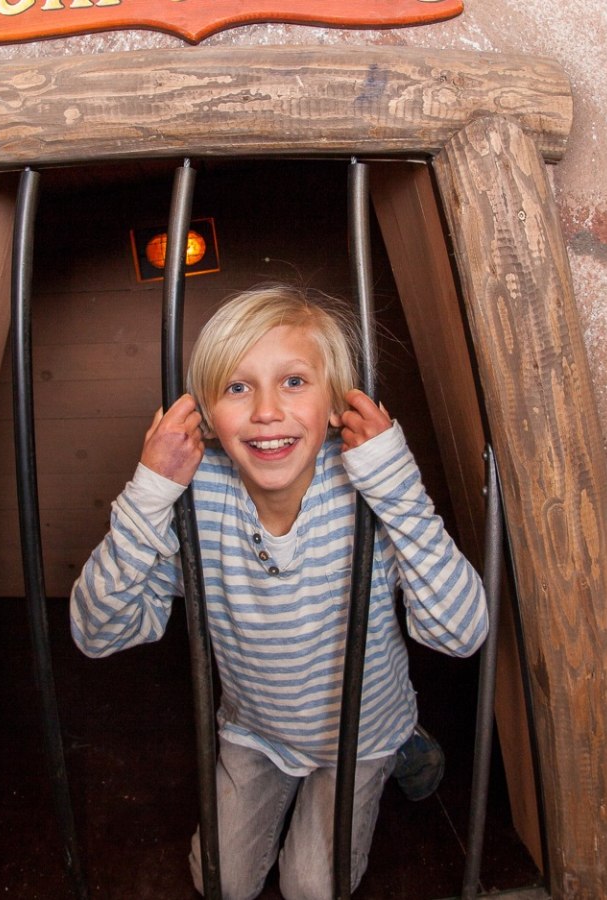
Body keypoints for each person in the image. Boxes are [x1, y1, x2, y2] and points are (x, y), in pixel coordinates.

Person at [70, 283, 488, 900]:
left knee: (311, 891)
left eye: (294, 381)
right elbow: (96, 632)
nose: (267, 410)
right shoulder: (196, 495)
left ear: (336, 403)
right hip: (256, 727)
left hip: (361, 729)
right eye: (238, 387)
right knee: (224, 884)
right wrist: (149, 493)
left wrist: (398, 490)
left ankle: (404, 738)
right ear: (207, 414)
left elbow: (463, 632)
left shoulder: (368, 489)